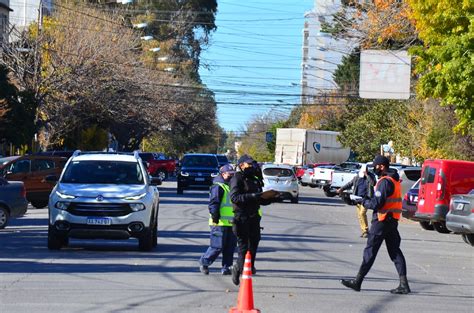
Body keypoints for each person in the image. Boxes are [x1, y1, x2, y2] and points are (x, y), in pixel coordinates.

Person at [341, 155, 410, 294]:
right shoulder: (394, 180)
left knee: (370, 251)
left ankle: (357, 281)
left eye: (375, 167)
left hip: (382, 220)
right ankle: (404, 284)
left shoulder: (384, 182)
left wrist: (362, 201)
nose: (374, 169)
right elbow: (381, 199)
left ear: (382, 166)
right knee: (395, 251)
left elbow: (377, 203)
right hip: (392, 221)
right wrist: (364, 199)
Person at [229, 154, 278, 285]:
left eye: (252, 164)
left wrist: (272, 197)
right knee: (243, 247)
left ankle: (249, 267)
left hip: (254, 217)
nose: (251, 166)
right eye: (248, 164)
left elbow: (260, 199)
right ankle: (238, 268)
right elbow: (235, 198)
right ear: (241, 165)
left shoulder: (254, 179)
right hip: (241, 217)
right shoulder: (237, 178)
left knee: (254, 244)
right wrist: (253, 195)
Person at [199, 164, 237, 275]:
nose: (231, 176)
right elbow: (214, 203)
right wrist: (215, 217)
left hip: (231, 222)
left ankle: (226, 267)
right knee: (217, 246)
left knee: (230, 247)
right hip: (219, 222)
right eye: (229, 174)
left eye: (233, 174)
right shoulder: (218, 186)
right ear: (223, 174)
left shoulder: (231, 186)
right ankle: (204, 262)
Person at [337, 164, 376, 238]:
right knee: (359, 215)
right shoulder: (357, 177)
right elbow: (350, 183)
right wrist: (341, 189)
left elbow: (373, 183)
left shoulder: (371, 176)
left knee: (362, 213)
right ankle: (364, 231)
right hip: (357, 198)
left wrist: (367, 175)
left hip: (366, 198)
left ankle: (366, 230)